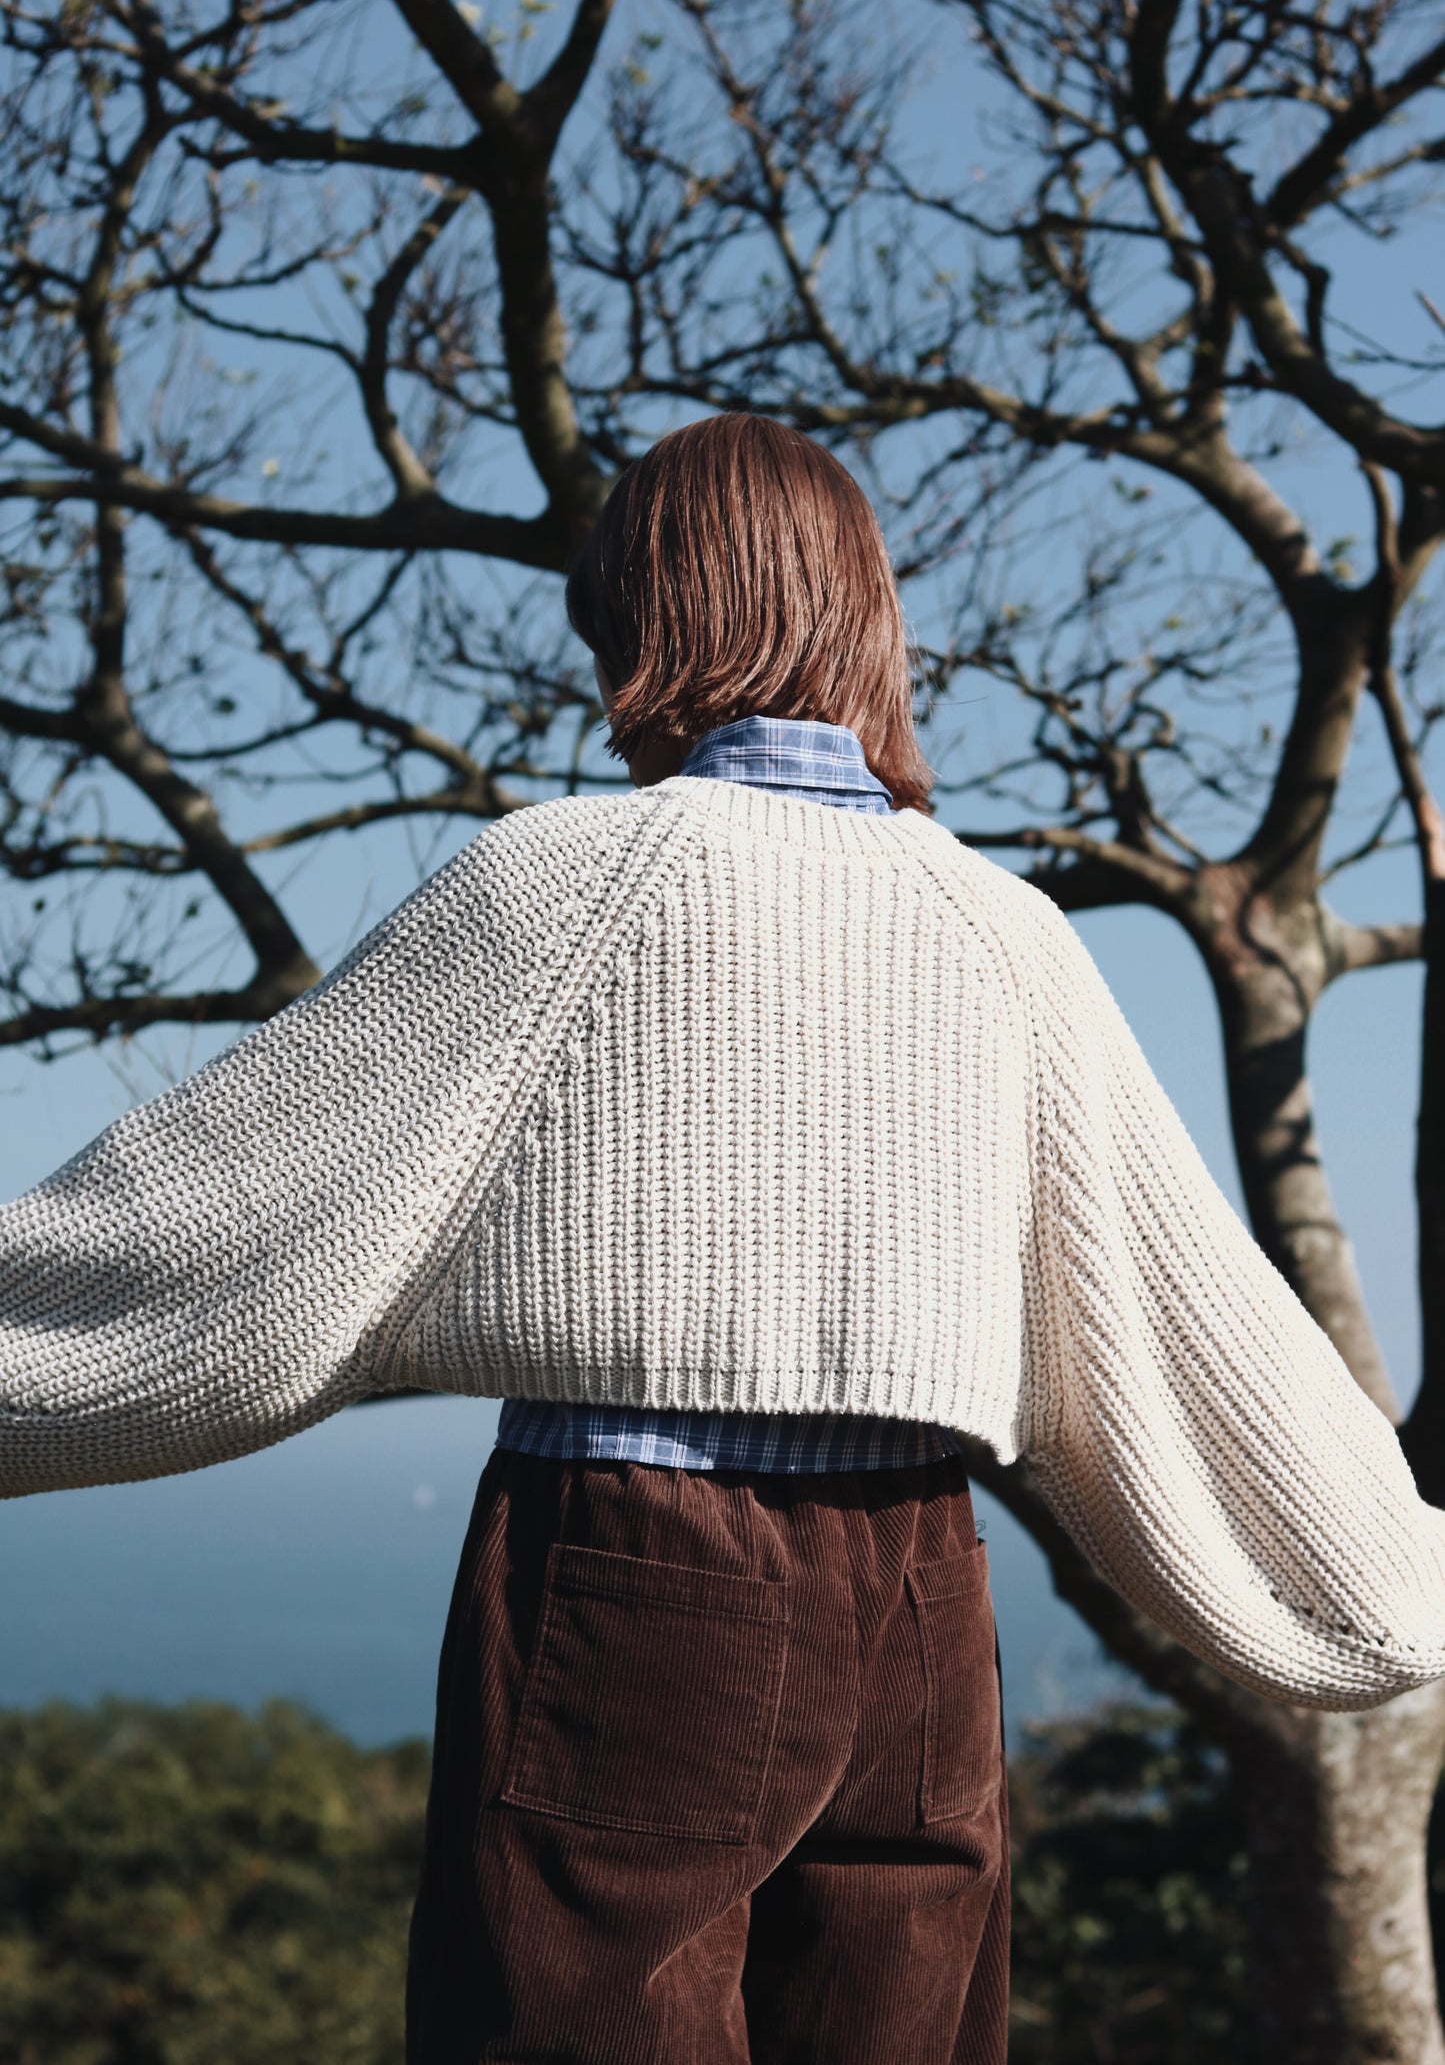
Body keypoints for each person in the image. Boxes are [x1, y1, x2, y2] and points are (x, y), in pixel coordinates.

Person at [2, 414, 1443, 2065]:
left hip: (637, 1572)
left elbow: (214, 1228)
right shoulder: (1006, 934)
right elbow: (1199, 1321)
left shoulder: (567, 886)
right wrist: (1401, 1575)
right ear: (866, 621)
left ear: (645, 620)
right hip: (918, 1600)